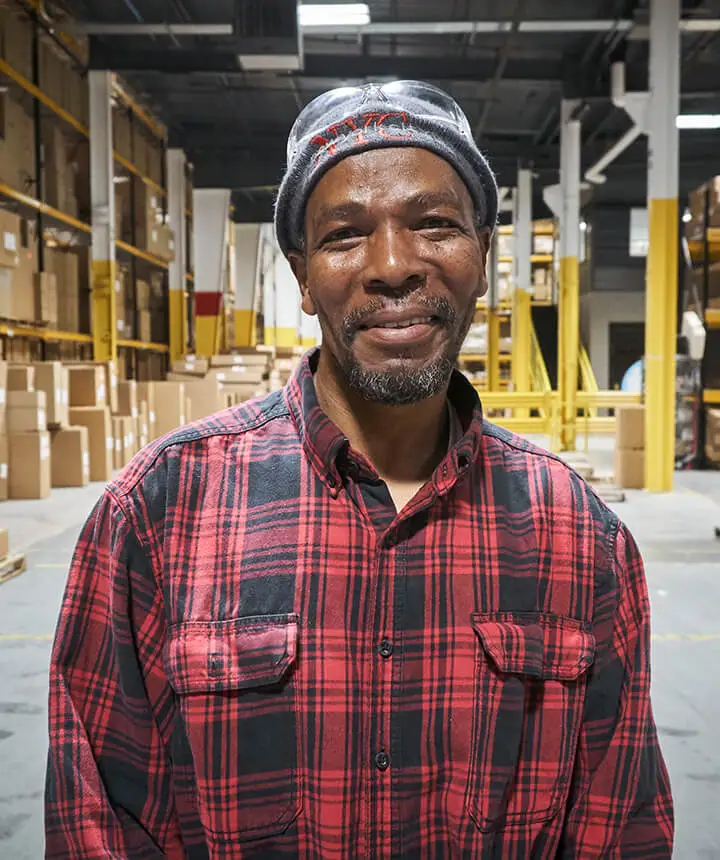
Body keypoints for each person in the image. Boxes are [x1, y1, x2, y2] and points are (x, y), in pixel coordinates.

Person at [45, 81, 674, 858]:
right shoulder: (159, 512)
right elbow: (98, 825)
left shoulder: (579, 536)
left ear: (484, 253)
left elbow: (621, 829)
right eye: (345, 234)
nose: (392, 266)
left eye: (435, 224)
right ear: (303, 276)